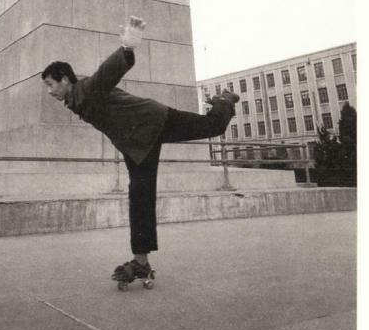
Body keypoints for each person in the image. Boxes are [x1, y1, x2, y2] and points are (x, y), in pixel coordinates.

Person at [41, 16, 240, 284]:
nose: (49, 92)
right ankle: (141, 261)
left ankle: (223, 101)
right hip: (138, 143)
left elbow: (107, 72)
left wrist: (128, 47)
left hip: (154, 121)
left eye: (50, 85)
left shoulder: (87, 89)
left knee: (212, 126)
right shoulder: (77, 99)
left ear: (64, 79)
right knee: (140, 197)